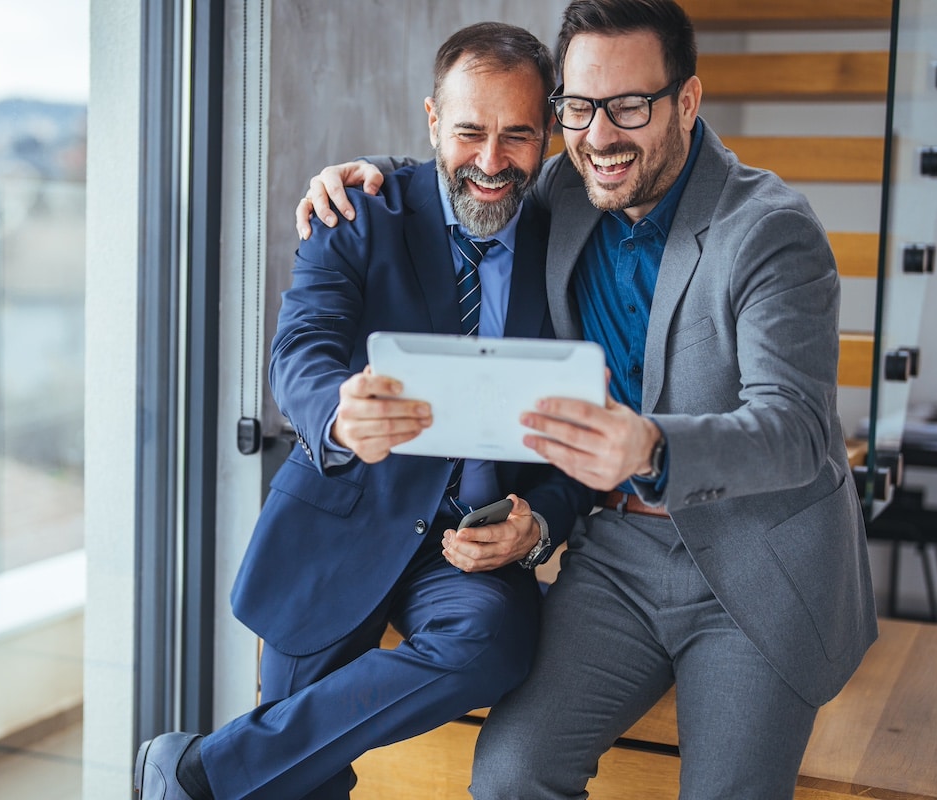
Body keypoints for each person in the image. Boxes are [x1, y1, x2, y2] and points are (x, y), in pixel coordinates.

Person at [296, 1, 878, 797]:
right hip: (620, 558)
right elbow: (478, 163)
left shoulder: (770, 229)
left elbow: (801, 429)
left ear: (687, 101)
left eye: (631, 106)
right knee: (509, 777)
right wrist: (361, 180)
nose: (601, 135)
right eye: (578, 108)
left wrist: (650, 448)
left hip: (755, 560)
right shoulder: (567, 190)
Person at [134, 21, 594, 800]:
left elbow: (580, 438)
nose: (491, 162)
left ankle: (195, 770)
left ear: (548, 133)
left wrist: (540, 519)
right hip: (339, 524)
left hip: (466, 546)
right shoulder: (357, 209)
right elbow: (300, 350)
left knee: (493, 641)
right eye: (469, 132)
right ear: (430, 121)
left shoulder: (572, 245)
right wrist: (338, 415)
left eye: (517, 136)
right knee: (292, 782)